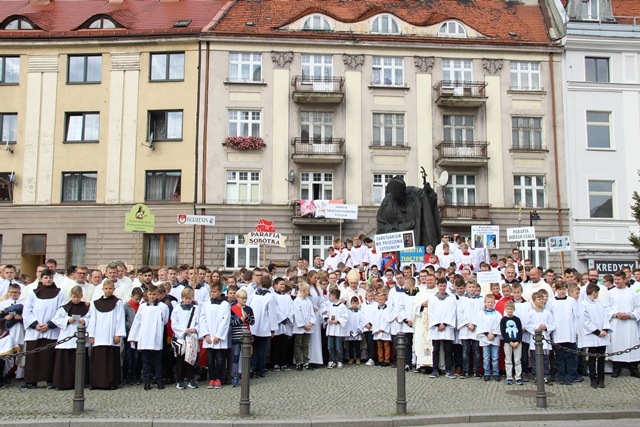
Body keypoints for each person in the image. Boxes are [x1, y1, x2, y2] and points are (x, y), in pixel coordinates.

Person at [21, 268, 64, 389]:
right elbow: (27, 310)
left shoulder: (58, 293)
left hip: (50, 329)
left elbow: (61, 310)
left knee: (49, 356)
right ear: (41, 279)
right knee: (32, 357)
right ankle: (31, 380)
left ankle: (49, 379)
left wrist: (49, 324)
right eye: (46, 278)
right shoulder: (33, 293)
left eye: (50, 277)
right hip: (35, 330)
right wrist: (35, 324)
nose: (48, 280)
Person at [88, 279, 126, 390]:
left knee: (110, 360)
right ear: (102, 289)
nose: (108, 290)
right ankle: (96, 382)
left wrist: (118, 334)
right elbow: (93, 319)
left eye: (110, 289)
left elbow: (120, 319)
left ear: (114, 289)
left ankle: (111, 382)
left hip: (111, 336)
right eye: (106, 289)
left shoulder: (118, 303)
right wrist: (92, 334)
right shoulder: (96, 303)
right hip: (99, 335)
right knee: (98, 360)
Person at [52, 286, 90, 390]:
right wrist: (67, 320)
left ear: (81, 296)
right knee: (65, 362)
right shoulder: (65, 308)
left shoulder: (86, 308)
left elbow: (90, 318)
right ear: (70, 296)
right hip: (67, 337)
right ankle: (64, 383)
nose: (76, 299)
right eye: (74, 297)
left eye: (78, 297)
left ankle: (80, 382)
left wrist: (85, 321)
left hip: (80, 338)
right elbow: (56, 319)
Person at [604, 270, 640, 378]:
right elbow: (606, 307)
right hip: (616, 323)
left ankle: (633, 369)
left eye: (618, 279)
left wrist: (630, 315)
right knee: (617, 345)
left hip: (630, 323)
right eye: (615, 279)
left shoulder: (632, 293)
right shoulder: (610, 293)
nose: (616, 281)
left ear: (624, 279)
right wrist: (616, 314)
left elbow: (638, 307)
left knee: (632, 345)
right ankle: (616, 369)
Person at [578, 283, 611, 388]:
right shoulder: (583, 304)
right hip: (592, 336)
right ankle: (593, 379)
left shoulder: (599, 303)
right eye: (597, 293)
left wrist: (605, 329)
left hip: (602, 335)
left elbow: (605, 317)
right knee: (592, 358)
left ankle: (601, 379)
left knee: (601, 358)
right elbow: (585, 321)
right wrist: (597, 332)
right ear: (594, 292)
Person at [200, 282, 230, 389]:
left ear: (220, 292)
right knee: (210, 359)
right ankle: (211, 378)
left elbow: (225, 320)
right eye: (211, 292)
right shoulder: (206, 304)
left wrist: (219, 335)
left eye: (214, 292)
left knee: (220, 359)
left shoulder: (225, 304)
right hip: (209, 336)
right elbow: (202, 319)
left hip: (219, 337)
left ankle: (219, 378)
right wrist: (206, 334)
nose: (212, 294)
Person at [550, 282, 579, 385]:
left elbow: (576, 316)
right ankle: (561, 376)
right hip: (558, 333)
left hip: (570, 332)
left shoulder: (571, 301)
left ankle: (570, 376)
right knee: (560, 357)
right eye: (560, 289)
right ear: (556, 290)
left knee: (571, 357)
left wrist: (576, 331)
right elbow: (550, 317)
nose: (562, 291)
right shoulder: (551, 302)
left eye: (563, 289)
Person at [171, 287, 199, 390]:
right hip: (181, 338)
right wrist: (183, 330)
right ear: (182, 298)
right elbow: (174, 323)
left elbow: (198, 322)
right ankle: (180, 380)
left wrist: (195, 329)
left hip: (191, 337)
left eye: (189, 298)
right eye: (186, 298)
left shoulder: (195, 308)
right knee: (180, 359)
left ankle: (191, 379)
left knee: (190, 359)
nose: (188, 300)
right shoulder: (177, 308)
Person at [428, 279, 457, 378]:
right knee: (436, 350)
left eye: (444, 286)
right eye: (440, 286)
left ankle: (448, 369)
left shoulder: (451, 298)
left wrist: (444, 324)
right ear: (437, 286)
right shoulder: (432, 299)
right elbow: (431, 313)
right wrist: (437, 324)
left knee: (448, 350)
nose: (442, 288)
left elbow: (452, 312)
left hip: (447, 327)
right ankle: (435, 369)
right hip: (436, 328)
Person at [525, 291, 555, 383]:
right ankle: (536, 375)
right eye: (539, 299)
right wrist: (537, 328)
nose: (541, 301)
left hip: (545, 340)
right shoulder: (531, 313)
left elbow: (552, 324)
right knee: (535, 359)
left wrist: (546, 327)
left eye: (542, 299)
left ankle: (546, 375)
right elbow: (528, 325)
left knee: (545, 359)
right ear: (534, 301)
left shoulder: (547, 313)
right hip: (535, 340)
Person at [458, 280, 483, 379]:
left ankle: (477, 371)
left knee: (476, 351)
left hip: (476, 328)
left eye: (473, 287)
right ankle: (465, 371)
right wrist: (467, 324)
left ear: (476, 288)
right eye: (470, 287)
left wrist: (474, 323)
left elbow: (481, 313)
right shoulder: (462, 300)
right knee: (465, 351)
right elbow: (460, 313)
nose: (472, 289)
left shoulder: (481, 300)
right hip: (465, 328)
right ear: (466, 288)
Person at [0, 283, 25, 379]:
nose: (13, 294)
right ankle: (6, 373)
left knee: (20, 353)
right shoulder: (2, 304)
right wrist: (5, 317)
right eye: (11, 292)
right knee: (6, 353)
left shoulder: (24, 304)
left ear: (19, 293)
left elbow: (29, 317)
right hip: (6, 331)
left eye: (15, 292)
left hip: (20, 330)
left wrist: (21, 318)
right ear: (8, 292)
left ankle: (19, 374)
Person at [477, 294, 502, 381]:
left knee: (495, 357)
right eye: (488, 302)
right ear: (485, 303)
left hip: (495, 337)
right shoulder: (481, 314)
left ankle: (496, 372)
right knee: (486, 357)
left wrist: (494, 334)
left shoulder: (497, 314)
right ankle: (486, 372)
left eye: (492, 302)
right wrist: (487, 334)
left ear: (494, 303)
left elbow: (499, 325)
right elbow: (480, 325)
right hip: (485, 338)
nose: (490, 304)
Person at [291, 282, 314, 370]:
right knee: (298, 344)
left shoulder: (309, 301)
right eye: (308, 290)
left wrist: (311, 322)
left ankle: (306, 361)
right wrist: (303, 325)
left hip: (308, 326)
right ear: (304, 290)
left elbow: (312, 313)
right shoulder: (296, 301)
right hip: (300, 327)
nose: (309, 292)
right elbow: (297, 315)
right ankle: (298, 362)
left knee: (306, 344)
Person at [271, 278, 293, 371]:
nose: (283, 286)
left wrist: (289, 318)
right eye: (280, 284)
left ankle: (283, 362)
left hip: (286, 323)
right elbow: (274, 310)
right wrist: (282, 319)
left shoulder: (288, 297)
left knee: (284, 344)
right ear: (275, 285)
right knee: (276, 344)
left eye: (284, 284)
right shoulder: (273, 296)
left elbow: (292, 308)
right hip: (278, 324)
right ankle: (275, 363)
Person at [123, 287, 143, 385]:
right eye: (136, 299)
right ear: (132, 296)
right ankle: (125, 375)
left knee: (136, 355)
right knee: (128, 355)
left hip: (138, 334)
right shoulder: (126, 307)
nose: (138, 301)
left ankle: (134, 375)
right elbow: (124, 320)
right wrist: (132, 326)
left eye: (139, 299)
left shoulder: (141, 307)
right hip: (129, 333)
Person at [500, 301, 523, 385]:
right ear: (505, 309)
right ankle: (509, 377)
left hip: (517, 342)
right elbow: (503, 332)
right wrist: (509, 341)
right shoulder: (503, 320)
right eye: (508, 309)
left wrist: (518, 341)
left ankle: (518, 377)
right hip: (508, 343)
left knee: (517, 360)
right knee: (508, 360)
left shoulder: (517, 319)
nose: (510, 310)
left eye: (511, 309)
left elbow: (520, 331)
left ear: (514, 309)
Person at [324, 288, 349, 369]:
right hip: (331, 328)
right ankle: (332, 360)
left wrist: (338, 321)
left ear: (334, 296)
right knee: (330, 346)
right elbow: (325, 314)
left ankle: (340, 361)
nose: (330, 297)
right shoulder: (330, 305)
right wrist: (327, 319)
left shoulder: (342, 306)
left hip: (338, 328)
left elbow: (345, 317)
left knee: (339, 347)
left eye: (331, 296)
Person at [369, 291, 393, 367]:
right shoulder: (375, 309)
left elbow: (388, 320)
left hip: (385, 330)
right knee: (379, 346)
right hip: (377, 330)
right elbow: (374, 320)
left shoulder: (387, 309)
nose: (380, 301)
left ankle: (387, 360)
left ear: (385, 300)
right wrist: (376, 329)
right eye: (379, 300)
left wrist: (383, 328)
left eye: (382, 300)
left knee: (386, 345)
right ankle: (380, 359)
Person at [346, 296, 365, 365]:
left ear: (358, 304)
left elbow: (361, 321)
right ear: (351, 303)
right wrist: (350, 330)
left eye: (356, 303)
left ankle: (358, 358)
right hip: (351, 331)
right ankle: (351, 358)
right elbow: (347, 321)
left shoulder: (360, 312)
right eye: (353, 303)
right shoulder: (348, 311)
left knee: (357, 346)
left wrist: (359, 330)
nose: (354, 305)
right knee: (350, 346)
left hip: (357, 331)